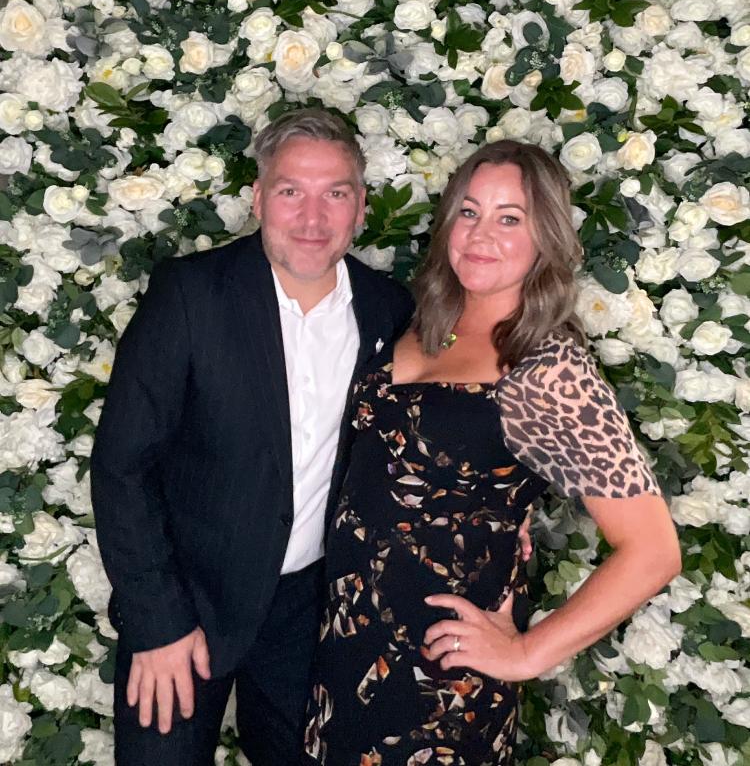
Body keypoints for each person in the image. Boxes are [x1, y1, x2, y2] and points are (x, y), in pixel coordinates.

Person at [304, 140, 681, 766]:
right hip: (349, 650)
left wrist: (526, 653)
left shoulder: (547, 367)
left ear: (545, 239)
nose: (482, 234)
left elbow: (653, 550)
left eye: (510, 218)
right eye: (470, 212)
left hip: (438, 681)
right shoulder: (425, 324)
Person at [90, 109, 415, 766]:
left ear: (361, 206)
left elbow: (428, 431)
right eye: (291, 191)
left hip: (308, 617)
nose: (312, 218)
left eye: (335, 193)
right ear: (259, 198)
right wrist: (158, 621)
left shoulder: (388, 308)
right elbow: (123, 467)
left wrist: (503, 511)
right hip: (187, 602)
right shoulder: (190, 295)